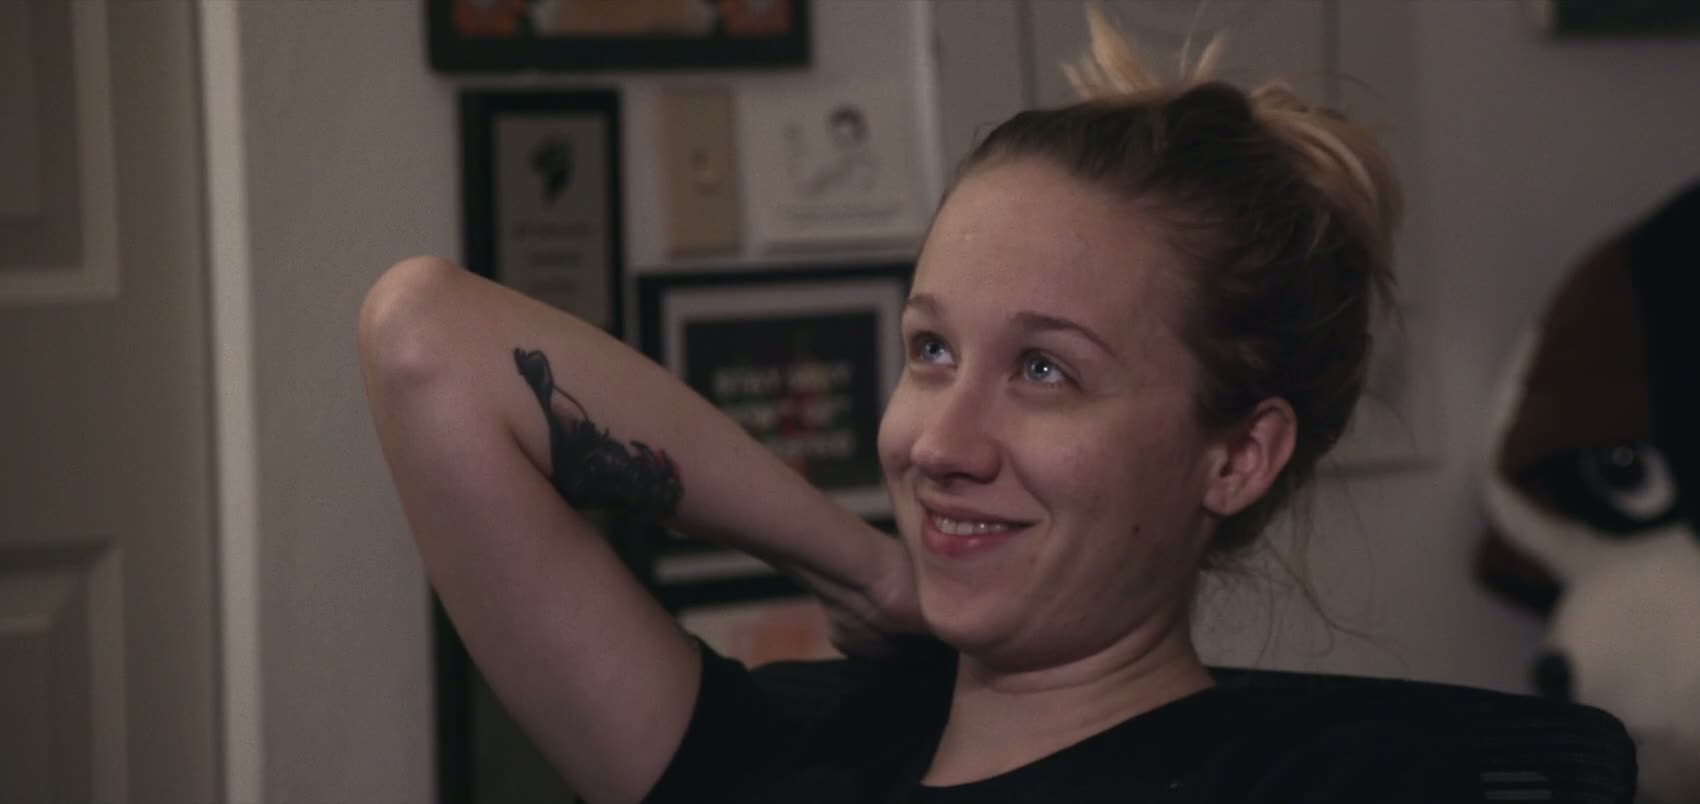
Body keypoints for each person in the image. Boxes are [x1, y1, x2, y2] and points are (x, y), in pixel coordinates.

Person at [361, 9, 1501, 803]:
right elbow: (426, 338)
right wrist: (858, 566)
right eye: (932, 350)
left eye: (1045, 371)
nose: (938, 445)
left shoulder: (1328, 783)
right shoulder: (780, 747)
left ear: (1239, 457)